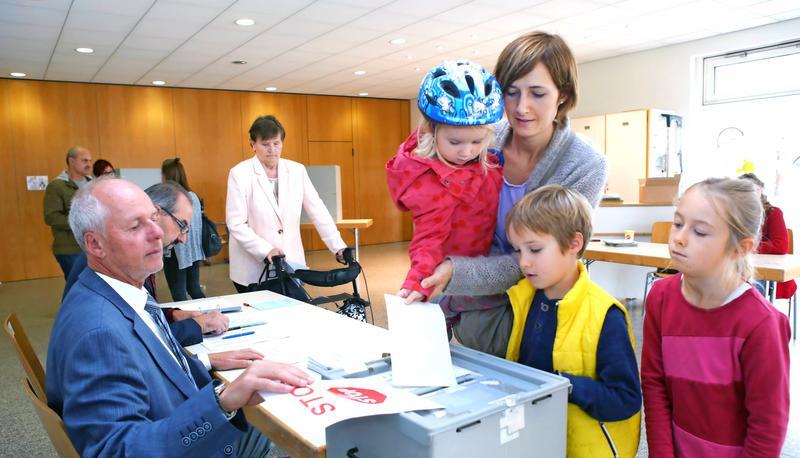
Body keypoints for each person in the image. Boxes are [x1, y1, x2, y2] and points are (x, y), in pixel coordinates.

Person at [47, 178, 314, 457]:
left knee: (264, 419)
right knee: (271, 425)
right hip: (178, 438)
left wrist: (214, 372)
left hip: (174, 417)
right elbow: (116, 450)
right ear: (95, 244)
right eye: (136, 226)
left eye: (153, 218)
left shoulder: (119, 291)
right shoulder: (99, 333)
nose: (156, 233)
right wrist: (221, 403)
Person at [416, 32, 608, 354]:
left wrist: (458, 273)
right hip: (468, 310)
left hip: (540, 315)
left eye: (537, 93)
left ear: (563, 94)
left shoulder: (586, 163)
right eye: (511, 92)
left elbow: (544, 258)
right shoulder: (481, 141)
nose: (521, 108)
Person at [641, 177, 790, 457]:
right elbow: (654, 383)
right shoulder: (661, 297)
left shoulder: (761, 324)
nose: (680, 237)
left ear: (740, 248)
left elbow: (768, 427)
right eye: (677, 223)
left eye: (700, 231)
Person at [504, 185, 641, 457]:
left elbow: (625, 400)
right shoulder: (524, 299)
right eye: (518, 251)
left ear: (573, 244)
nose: (523, 262)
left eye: (534, 249)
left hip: (586, 449)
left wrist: (564, 386)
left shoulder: (605, 315)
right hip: (540, 441)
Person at [386, 60, 504, 303]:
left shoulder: (489, 164)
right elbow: (428, 238)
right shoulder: (428, 183)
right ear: (431, 130)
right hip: (454, 282)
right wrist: (418, 280)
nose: (466, 152)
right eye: (455, 142)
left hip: (495, 274)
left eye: (477, 141)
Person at [63, 181, 229, 346]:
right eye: (181, 226)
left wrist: (171, 315)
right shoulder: (105, 277)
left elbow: (136, 313)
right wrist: (197, 326)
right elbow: (131, 339)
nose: (183, 239)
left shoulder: (127, 265)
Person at [226, 115, 347, 293]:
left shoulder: (297, 170)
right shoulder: (240, 174)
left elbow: (318, 210)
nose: (272, 150)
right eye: (265, 144)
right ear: (253, 145)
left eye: (276, 143)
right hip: (253, 268)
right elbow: (236, 223)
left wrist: (338, 247)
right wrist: (266, 250)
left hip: (291, 263)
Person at [739, 172, 797, 299]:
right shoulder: (733, 216)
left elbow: (780, 246)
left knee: (748, 290)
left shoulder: (773, 213)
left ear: (760, 192)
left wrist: (744, 247)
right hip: (739, 269)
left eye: (753, 190)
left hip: (767, 276)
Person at [44, 146, 93, 278]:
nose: (89, 164)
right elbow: (52, 217)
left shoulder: (93, 184)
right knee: (76, 285)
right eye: (84, 161)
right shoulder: (57, 186)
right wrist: (81, 221)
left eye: (89, 161)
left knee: (91, 285)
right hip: (70, 248)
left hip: (93, 246)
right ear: (71, 161)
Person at [161, 158, 207, 302]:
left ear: (166, 175)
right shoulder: (192, 196)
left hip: (175, 252)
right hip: (193, 251)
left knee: (179, 294)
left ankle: (188, 321)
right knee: (194, 289)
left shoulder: (169, 198)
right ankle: (209, 315)